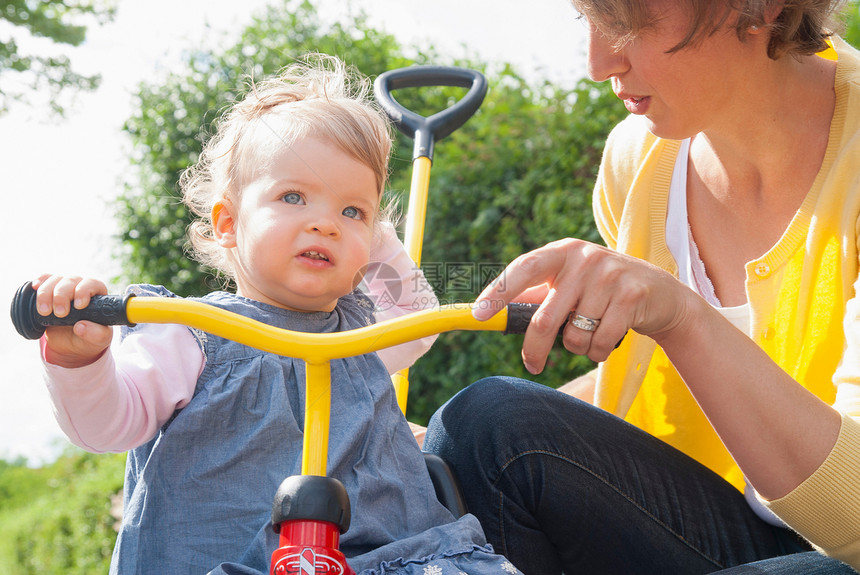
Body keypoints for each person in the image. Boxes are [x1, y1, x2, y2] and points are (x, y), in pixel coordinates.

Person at [33, 55, 523, 575]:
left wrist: (370, 233)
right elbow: (110, 425)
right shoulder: (189, 334)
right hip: (225, 562)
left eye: (350, 212)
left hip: (383, 560)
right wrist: (80, 361)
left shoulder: (359, 336)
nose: (325, 225)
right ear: (227, 222)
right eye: (293, 197)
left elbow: (417, 313)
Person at [424, 1, 860, 573]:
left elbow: (851, 520)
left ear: (756, 8)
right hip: (720, 533)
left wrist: (682, 318)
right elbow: (632, 391)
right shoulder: (637, 158)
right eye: (590, 20)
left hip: (837, 551)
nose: (598, 62)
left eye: (629, 22)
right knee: (482, 425)